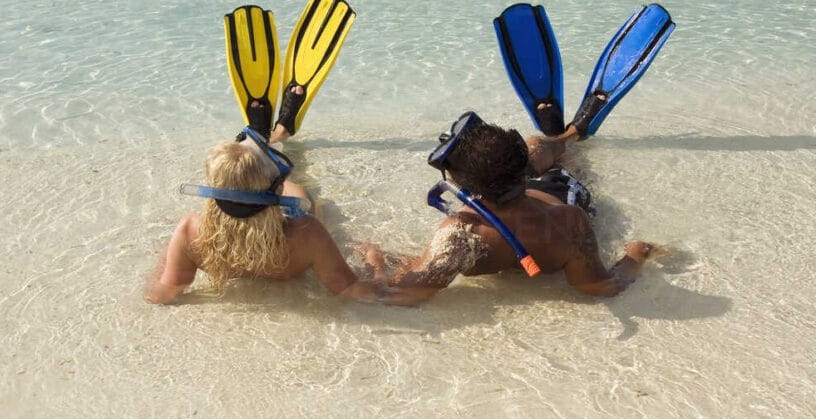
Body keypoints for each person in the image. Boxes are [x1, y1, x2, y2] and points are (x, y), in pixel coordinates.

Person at [359, 112, 662, 301]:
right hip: (555, 194)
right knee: (542, 148)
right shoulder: (569, 223)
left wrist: (376, 260)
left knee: (547, 152)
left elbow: (404, 291)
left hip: (541, 187)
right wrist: (636, 254)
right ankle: (565, 137)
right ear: (523, 168)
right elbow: (598, 285)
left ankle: (566, 137)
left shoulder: (460, 235)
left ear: (461, 186)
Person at [145, 119, 394, 304]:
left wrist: (166, 256)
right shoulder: (306, 232)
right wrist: (376, 261)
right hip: (285, 226)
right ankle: (279, 140)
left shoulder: (191, 231)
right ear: (274, 194)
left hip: (222, 232)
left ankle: (278, 138)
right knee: (300, 189)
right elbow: (357, 291)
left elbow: (162, 294)